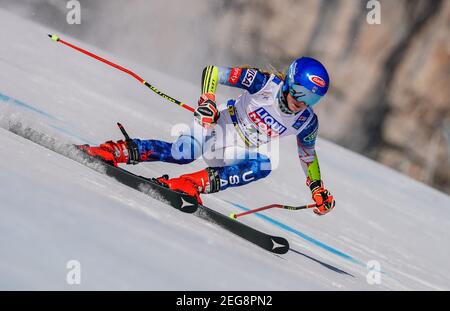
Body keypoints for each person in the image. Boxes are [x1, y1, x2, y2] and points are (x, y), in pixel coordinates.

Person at [79, 57, 335, 215]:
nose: (303, 102)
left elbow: (307, 156)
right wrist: (208, 101)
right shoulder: (264, 83)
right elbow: (213, 72)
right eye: (301, 92)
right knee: (184, 153)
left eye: (313, 98)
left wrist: (316, 188)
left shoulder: (307, 121)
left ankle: (189, 184)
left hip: (237, 150)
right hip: (220, 125)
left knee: (263, 165)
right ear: (290, 82)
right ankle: (114, 151)